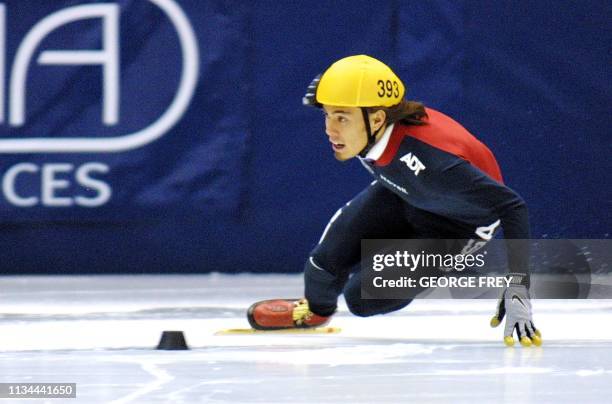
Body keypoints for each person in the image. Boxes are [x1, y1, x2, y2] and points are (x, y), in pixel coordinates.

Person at [248, 55, 541, 347]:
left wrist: (518, 285)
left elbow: (512, 205)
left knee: (361, 297)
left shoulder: (432, 159)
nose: (329, 129)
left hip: (455, 228)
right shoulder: (371, 129)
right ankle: (315, 312)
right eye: (326, 115)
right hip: (407, 194)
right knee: (321, 269)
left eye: (341, 117)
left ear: (377, 119)